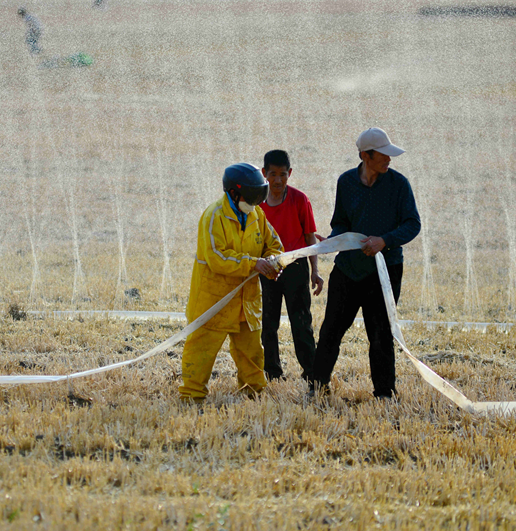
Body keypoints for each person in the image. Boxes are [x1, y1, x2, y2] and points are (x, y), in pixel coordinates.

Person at [311, 128, 421, 400]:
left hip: (385, 272)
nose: (389, 160)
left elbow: (412, 224)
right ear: (365, 156)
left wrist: (385, 240)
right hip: (348, 270)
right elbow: (341, 222)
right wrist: (333, 241)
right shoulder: (345, 182)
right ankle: (316, 387)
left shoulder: (399, 184)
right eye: (383, 155)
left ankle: (384, 394)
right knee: (330, 331)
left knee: (381, 335)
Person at [179, 163, 284, 402]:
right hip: (213, 300)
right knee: (201, 352)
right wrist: (253, 264)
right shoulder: (213, 215)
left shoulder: (256, 214)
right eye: (251, 195)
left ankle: (253, 394)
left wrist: (272, 262)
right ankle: (192, 396)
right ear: (234, 193)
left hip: (246, 301)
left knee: (252, 353)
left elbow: (274, 244)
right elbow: (217, 258)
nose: (256, 201)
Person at [258, 150, 323, 381]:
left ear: (290, 174)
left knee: (301, 322)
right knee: (268, 323)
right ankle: (272, 373)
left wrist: (315, 270)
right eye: (272, 174)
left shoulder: (299, 199)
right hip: (268, 269)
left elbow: (309, 237)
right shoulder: (257, 203)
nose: (277, 180)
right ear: (264, 173)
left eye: (283, 175)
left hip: (296, 267)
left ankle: (312, 373)